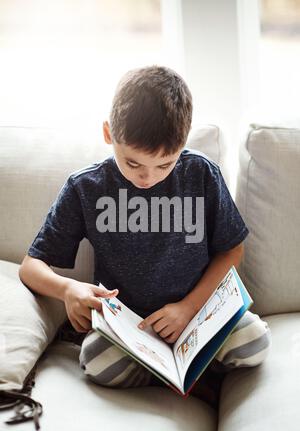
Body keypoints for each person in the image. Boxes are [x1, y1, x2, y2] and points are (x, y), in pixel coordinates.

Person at [19, 65, 271, 408]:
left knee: (254, 342)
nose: (147, 177)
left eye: (165, 164)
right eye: (133, 163)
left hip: (195, 316)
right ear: (109, 133)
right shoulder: (86, 188)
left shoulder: (200, 174)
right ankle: (183, 377)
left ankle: (183, 369)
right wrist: (68, 289)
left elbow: (231, 250)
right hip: (131, 329)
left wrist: (187, 308)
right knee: (96, 362)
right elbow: (31, 266)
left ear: (183, 142)